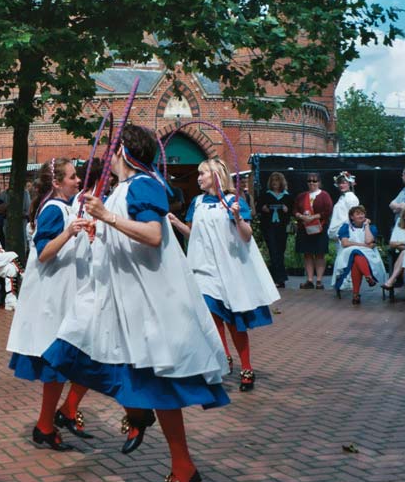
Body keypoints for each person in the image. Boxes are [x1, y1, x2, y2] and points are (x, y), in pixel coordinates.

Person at [45, 128, 229, 482]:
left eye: (112, 149)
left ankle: (179, 463)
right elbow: (124, 235)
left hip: (148, 300)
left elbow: (153, 235)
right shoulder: (123, 188)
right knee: (80, 353)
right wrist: (99, 231)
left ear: (124, 153)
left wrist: (107, 218)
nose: (107, 156)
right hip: (119, 298)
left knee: (156, 383)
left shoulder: (144, 184)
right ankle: (140, 418)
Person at [6, 158, 95, 452]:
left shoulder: (66, 207)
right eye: (72, 177)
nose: (78, 181)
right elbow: (43, 253)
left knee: (75, 360)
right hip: (54, 298)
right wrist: (69, 233)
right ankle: (53, 421)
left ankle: (54, 419)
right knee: (69, 361)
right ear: (57, 183)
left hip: (67, 294)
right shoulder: (53, 209)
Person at [169, 158, 280, 393]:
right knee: (211, 315)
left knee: (233, 322)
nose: (199, 178)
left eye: (202, 173)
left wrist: (238, 218)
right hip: (203, 269)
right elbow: (194, 234)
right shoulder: (197, 202)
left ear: (216, 175)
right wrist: (176, 222)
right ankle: (224, 356)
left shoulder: (233, 202)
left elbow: (247, 236)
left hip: (229, 270)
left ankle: (246, 368)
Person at [331, 205, 387, 305]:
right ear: (352, 217)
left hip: (368, 255)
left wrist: (366, 225)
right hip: (347, 254)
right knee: (355, 252)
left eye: (362, 214)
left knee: (356, 259)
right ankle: (368, 276)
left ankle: (356, 294)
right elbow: (345, 243)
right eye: (357, 214)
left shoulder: (371, 227)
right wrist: (362, 245)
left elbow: (369, 241)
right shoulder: (346, 227)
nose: (361, 216)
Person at [293, 173, 333, 289]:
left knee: (320, 254)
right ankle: (309, 280)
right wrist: (301, 216)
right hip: (304, 228)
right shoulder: (301, 196)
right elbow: (294, 209)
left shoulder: (324, 195)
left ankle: (319, 280)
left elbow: (328, 210)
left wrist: (313, 217)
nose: (311, 183)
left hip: (319, 228)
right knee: (307, 254)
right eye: (309, 181)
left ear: (319, 182)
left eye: (314, 181)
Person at [383, 166, 405, 302]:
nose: (402, 177)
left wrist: (401, 207)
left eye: (403, 174)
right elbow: (392, 204)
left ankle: (392, 281)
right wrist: (400, 207)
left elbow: (400, 207)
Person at [257, 172, 293, 288]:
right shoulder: (265, 195)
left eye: (277, 180)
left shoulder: (287, 196)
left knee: (280, 251)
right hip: (269, 227)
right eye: (273, 181)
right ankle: (277, 278)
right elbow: (258, 208)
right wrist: (263, 208)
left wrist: (287, 210)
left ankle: (279, 278)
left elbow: (292, 210)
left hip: (282, 227)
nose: (274, 183)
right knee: (273, 251)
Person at [328, 171, 359, 244]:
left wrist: (346, 231)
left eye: (344, 183)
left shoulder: (351, 198)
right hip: (339, 232)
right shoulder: (342, 197)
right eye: (340, 183)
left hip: (345, 232)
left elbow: (354, 217)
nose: (341, 185)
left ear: (349, 184)